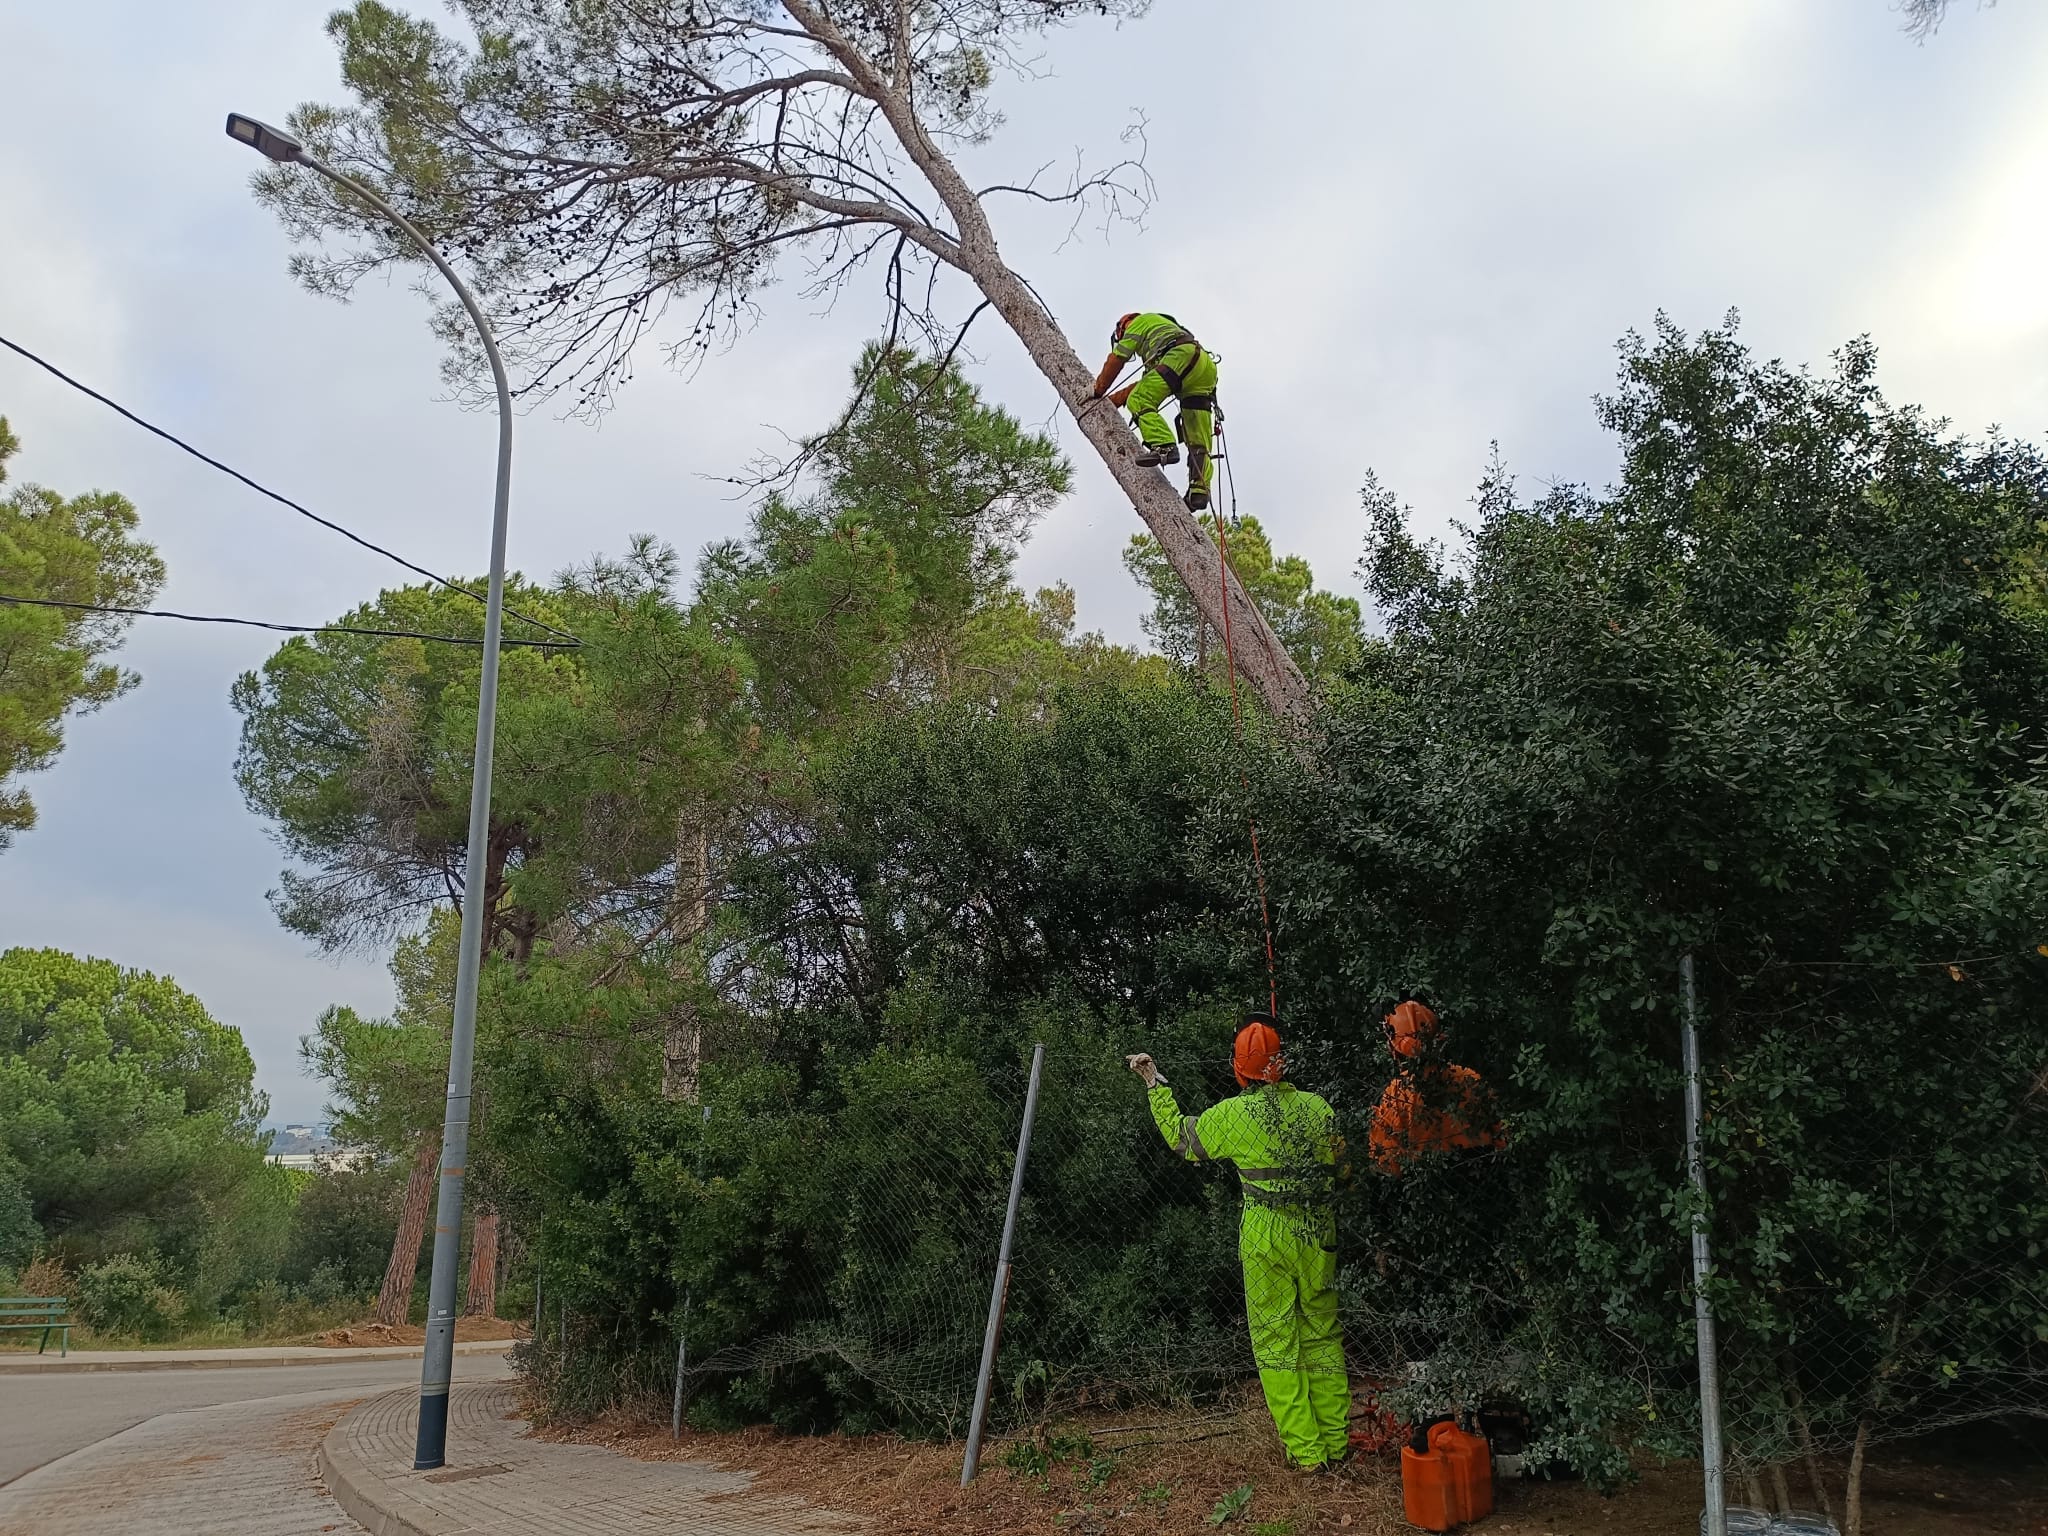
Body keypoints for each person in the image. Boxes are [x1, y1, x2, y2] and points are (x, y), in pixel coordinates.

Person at [1127, 1014, 1350, 1470]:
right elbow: (1344, 1170)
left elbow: (1182, 1141)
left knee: (1275, 1341)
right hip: (1317, 1231)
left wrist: (1155, 1083)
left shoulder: (1234, 1115)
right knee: (1323, 1335)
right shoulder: (1319, 1109)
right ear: (1280, 1065)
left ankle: (1308, 1456)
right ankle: (1337, 1445)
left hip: (1266, 1235)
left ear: (1238, 1069)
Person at [1090, 312, 1220, 512]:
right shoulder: (1161, 337)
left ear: (1123, 327)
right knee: (1198, 438)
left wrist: (1097, 390)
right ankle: (1199, 491)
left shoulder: (1139, 323)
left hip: (1180, 356)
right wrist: (1110, 402)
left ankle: (1164, 446)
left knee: (1140, 400)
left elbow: (1118, 358)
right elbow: (1144, 383)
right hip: (1204, 368)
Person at [1368, 1001, 1504, 1175]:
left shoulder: (1395, 1095)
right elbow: (1502, 1135)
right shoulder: (1469, 1078)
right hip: (1482, 1176)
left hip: (1427, 1185)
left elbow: (1387, 1165)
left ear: (1393, 1048)